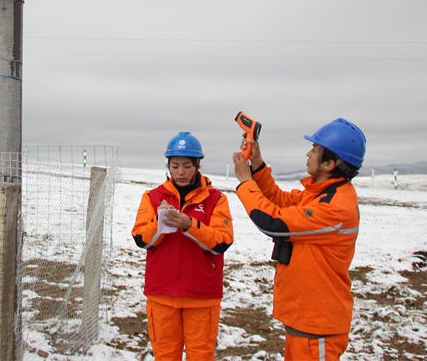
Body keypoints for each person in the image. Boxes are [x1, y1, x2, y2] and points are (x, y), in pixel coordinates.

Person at [232, 118, 366, 361]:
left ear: (329, 163)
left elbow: (273, 223)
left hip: (318, 326)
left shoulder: (334, 207)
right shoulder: (321, 194)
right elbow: (280, 201)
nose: (308, 153)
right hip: (307, 321)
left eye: (314, 149)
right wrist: (257, 164)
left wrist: (246, 181)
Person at [132, 132, 235, 361]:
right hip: (161, 294)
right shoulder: (152, 197)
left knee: (201, 355)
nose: (180, 172)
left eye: (187, 166)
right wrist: (159, 221)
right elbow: (141, 239)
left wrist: (189, 225)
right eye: (175, 166)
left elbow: (222, 242)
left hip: (202, 295)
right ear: (168, 165)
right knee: (165, 355)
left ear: (197, 165)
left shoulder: (216, 200)